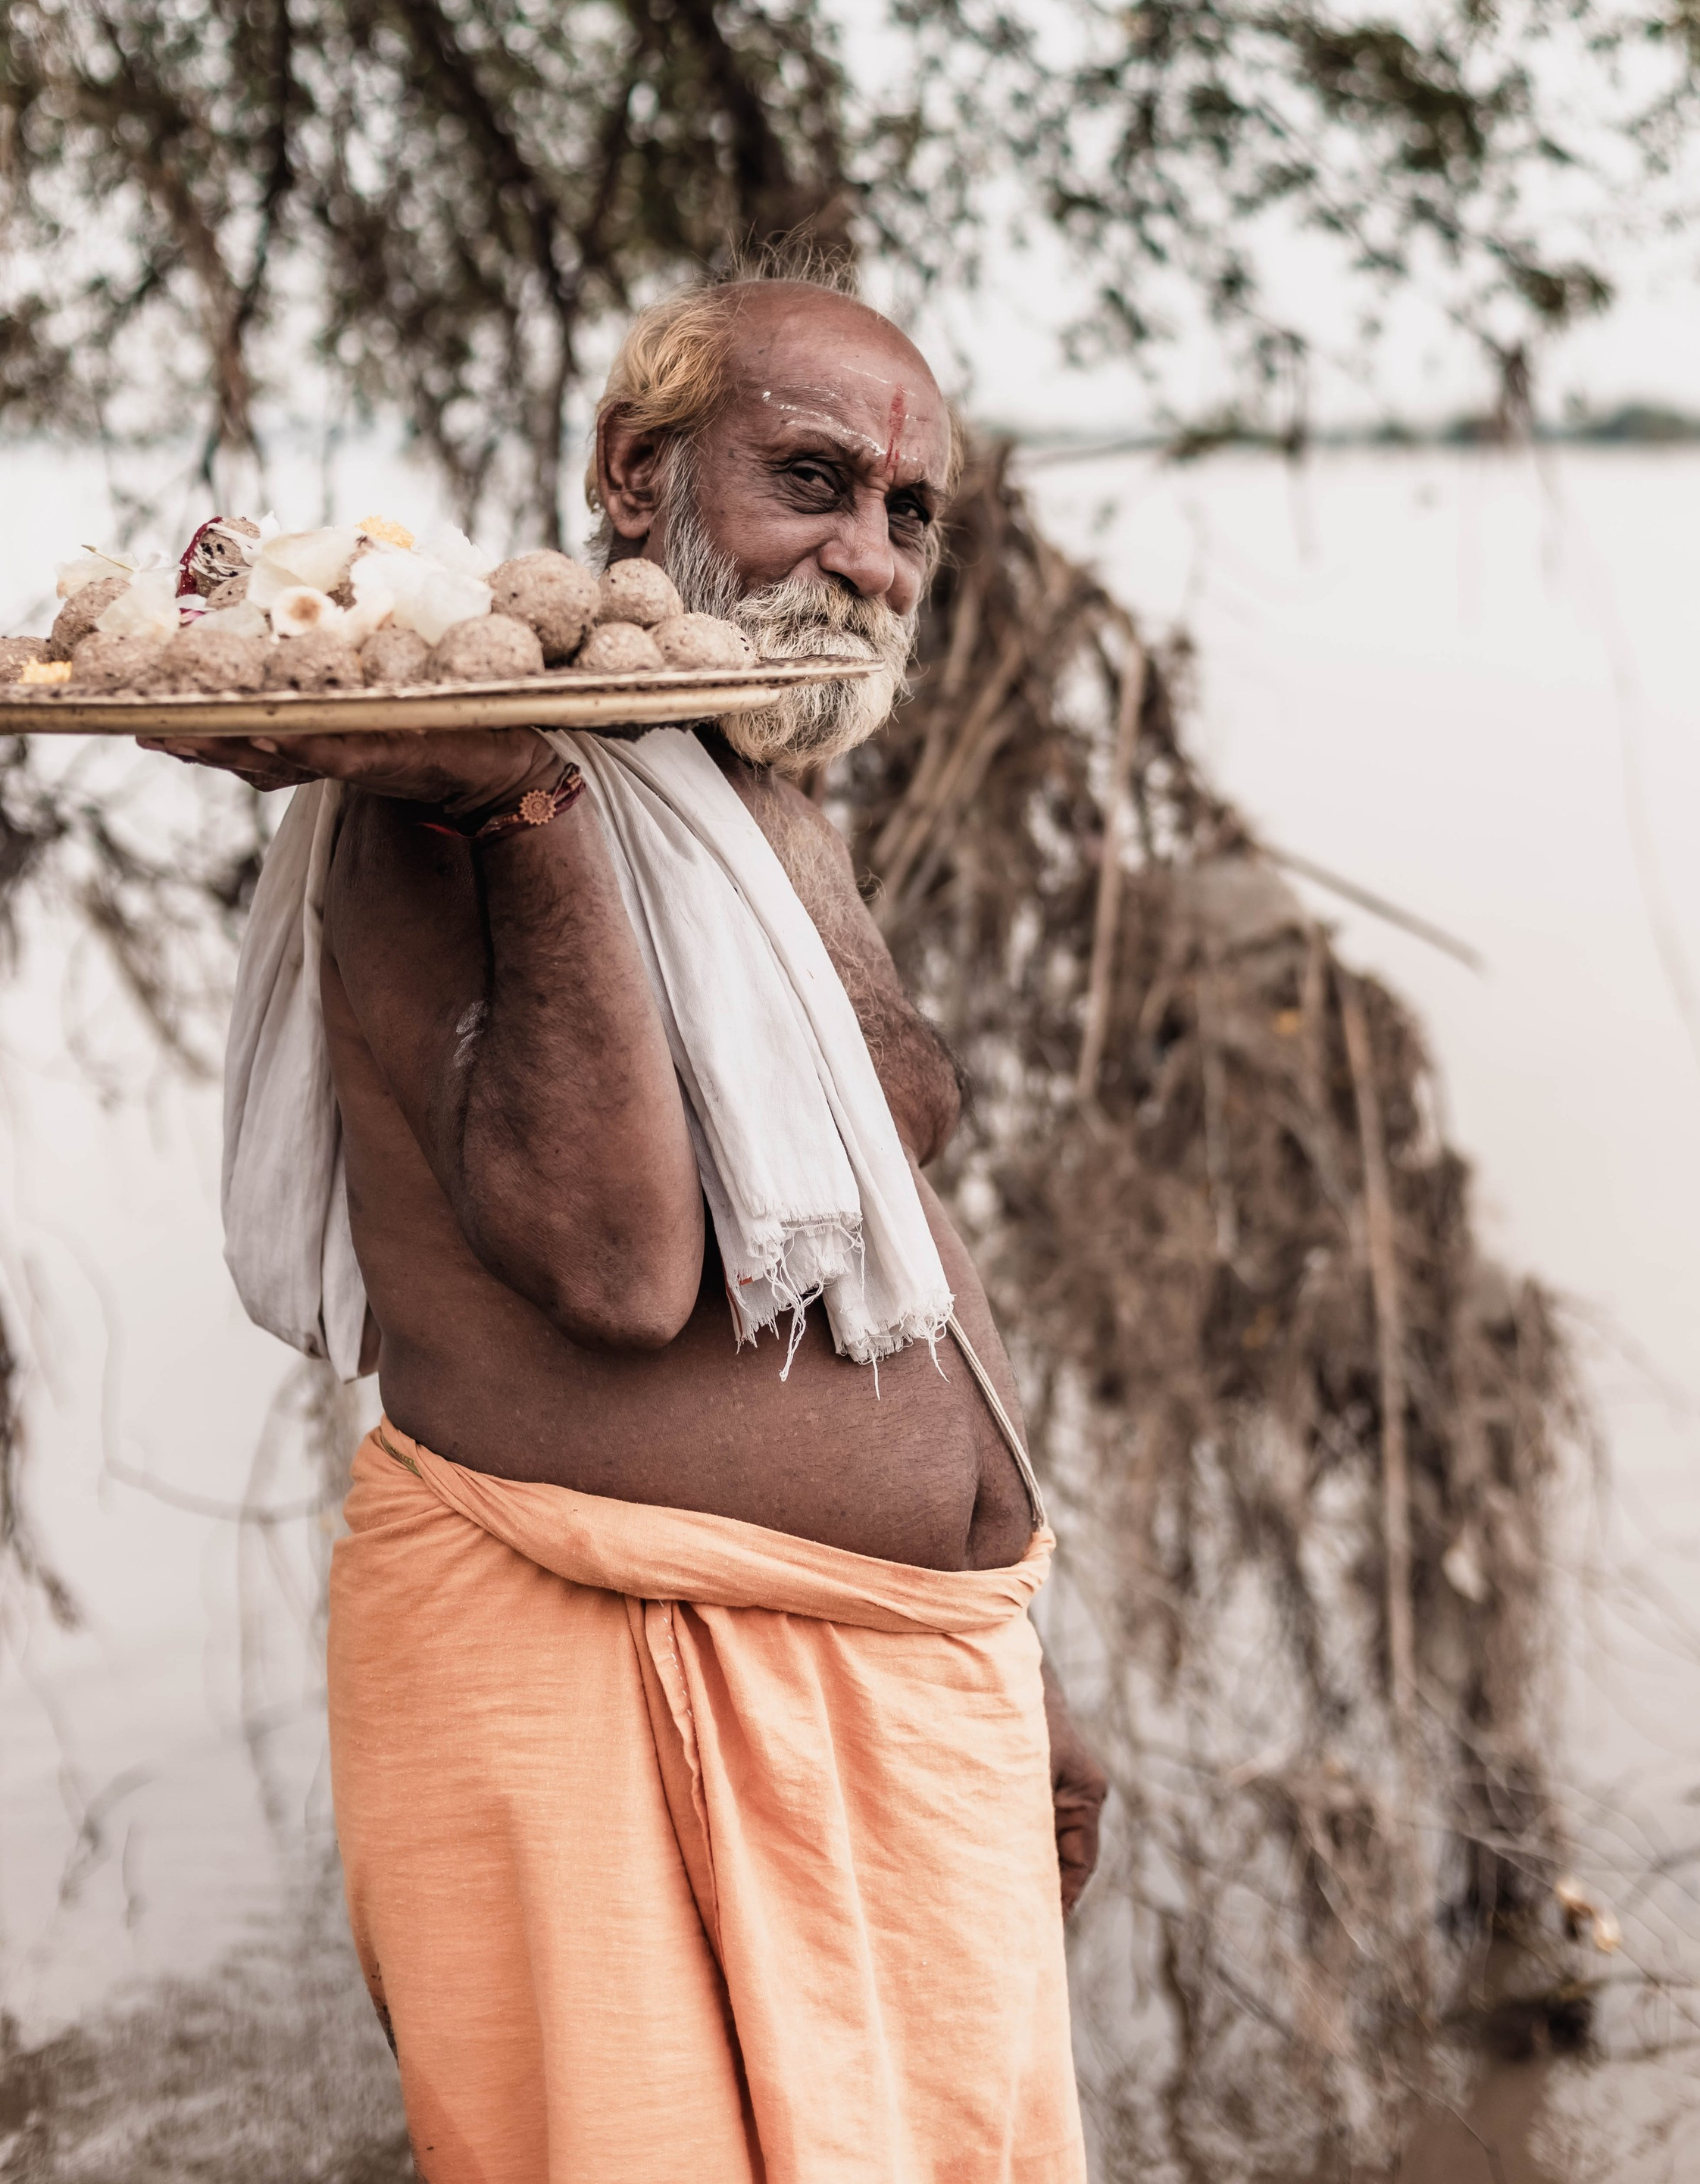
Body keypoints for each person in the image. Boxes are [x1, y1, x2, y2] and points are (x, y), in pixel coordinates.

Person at [146, 279, 1105, 2184]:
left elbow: (889, 1256)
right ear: (634, 471)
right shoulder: (448, 774)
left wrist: (1017, 1636)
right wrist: (522, 797)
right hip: (599, 1667)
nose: (865, 558)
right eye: (810, 481)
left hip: (913, 1673)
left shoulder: (760, 790)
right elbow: (613, 1269)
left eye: (908, 516)